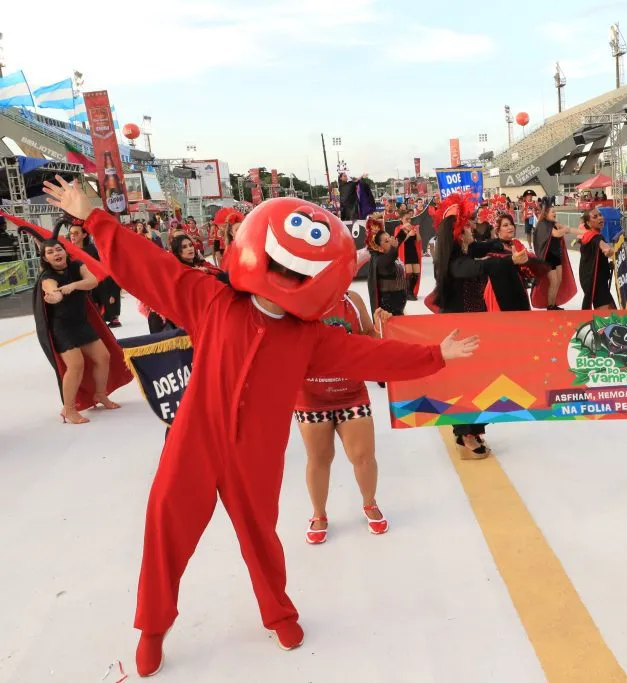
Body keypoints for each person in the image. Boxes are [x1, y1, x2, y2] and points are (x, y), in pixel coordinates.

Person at [43, 178, 479, 678]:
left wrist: (433, 355)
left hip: (257, 451)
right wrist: (95, 217)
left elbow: (370, 354)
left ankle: (277, 612)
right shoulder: (210, 300)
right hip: (194, 441)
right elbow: (148, 268)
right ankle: (153, 627)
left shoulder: (310, 338)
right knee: (165, 528)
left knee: (260, 537)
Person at [428, 193, 529, 458]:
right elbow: (478, 267)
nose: (473, 228)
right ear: (460, 234)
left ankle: (473, 430)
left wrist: (503, 243)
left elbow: (485, 248)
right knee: (464, 383)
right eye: (469, 226)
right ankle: (464, 435)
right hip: (459, 332)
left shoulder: (465, 249)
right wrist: (509, 260)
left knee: (479, 381)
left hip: (475, 326)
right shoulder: (453, 262)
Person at [295, 290, 392, 543]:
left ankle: (370, 503)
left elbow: (370, 337)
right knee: (319, 458)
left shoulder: (352, 300)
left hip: (352, 393)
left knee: (363, 456)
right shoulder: (296, 299)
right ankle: (319, 514)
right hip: (310, 397)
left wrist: (385, 326)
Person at [34, 238, 129, 424]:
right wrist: (54, 296)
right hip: (62, 327)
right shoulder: (47, 277)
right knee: (76, 365)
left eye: (58, 249)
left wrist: (73, 285)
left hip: (81, 324)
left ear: (65, 251)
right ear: (45, 258)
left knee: (103, 357)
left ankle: (100, 395)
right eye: (51, 252)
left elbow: (93, 281)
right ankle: (68, 409)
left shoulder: (76, 265)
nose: (56, 254)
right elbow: (52, 291)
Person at [532, 200, 576, 310]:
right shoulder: (543, 225)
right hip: (547, 258)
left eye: (555, 211)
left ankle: (553, 304)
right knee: (554, 281)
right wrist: (565, 230)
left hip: (556, 256)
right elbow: (556, 234)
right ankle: (550, 306)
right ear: (546, 214)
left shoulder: (553, 223)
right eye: (552, 212)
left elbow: (568, 229)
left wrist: (586, 233)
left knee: (559, 281)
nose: (555, 213)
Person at [577, 207, 616, 310]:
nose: (600, 218)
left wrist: (606, 265)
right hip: (595, 282)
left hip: (591, 278)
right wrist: (609, 250)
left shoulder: (588, 235)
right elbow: (603, 247)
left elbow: (593, 257)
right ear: (589, 223)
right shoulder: (595, 237)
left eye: (600, 215)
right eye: (595, 217)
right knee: (606, 317)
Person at [396, 209, 423, 300]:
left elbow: (418, 240)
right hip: (404, 253)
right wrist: (408, 235)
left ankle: (411, 291)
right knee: (409, 273)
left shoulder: (412, 227)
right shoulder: (399, 228)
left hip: (413, 251)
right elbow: (399, 242)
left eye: (409, 219)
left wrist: (417, 232)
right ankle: (408, 292)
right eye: (406, 219)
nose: (408, 221)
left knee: (416, 272)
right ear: (401, 219)